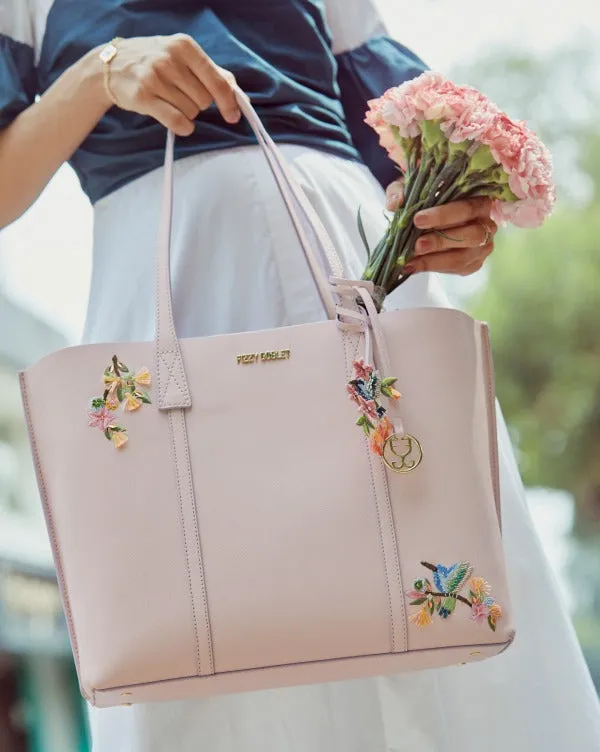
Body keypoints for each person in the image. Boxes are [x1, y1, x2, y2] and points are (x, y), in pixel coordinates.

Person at [1, 1, 599, 750]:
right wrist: (101, 71)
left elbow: (395, 141)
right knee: (199, 615)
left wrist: (452, 220)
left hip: (356, 271)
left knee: (438, 585)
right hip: (178, 287)